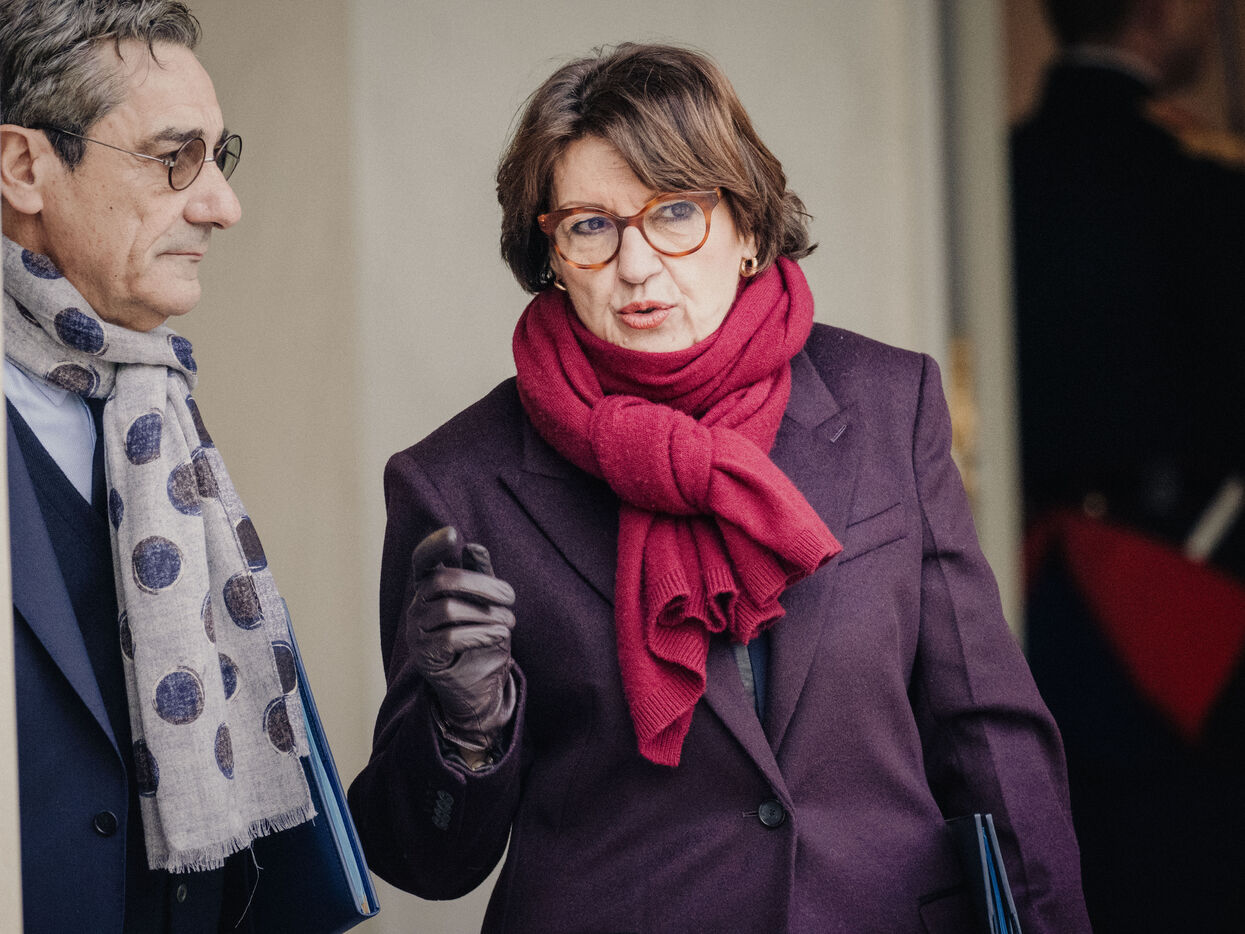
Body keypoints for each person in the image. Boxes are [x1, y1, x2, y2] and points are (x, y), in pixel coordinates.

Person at [349, 42, 1090, 932]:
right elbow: (424, 862)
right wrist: (464, 731)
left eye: (675, 212)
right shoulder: (455, 481)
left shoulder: (890, 405)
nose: (635, 264)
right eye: (589, 226)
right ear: (549, 252)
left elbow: (990, 734)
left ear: (747, 228)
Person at [1, 2, 318, 930]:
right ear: (24, 167)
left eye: (219, 157)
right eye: (174, 156)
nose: (222, 204)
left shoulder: (155, 399)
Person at [1011, 2, 1245, 931]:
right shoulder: (1197, 176)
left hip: (1021, 578)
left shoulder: (1001, 164)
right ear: (1162, 9)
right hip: (1183, 586)